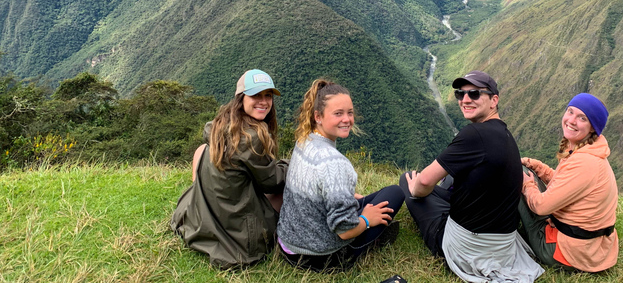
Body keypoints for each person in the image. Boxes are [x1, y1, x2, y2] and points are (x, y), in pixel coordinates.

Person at [400, 70, 544, 282]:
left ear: (494, 100)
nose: (465, 99)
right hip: (503, 246)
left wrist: (415, 190)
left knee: (407, 179)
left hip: (468, 249)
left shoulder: (473, 134)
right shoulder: (505, 133)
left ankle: (437, 228)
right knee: (450, 179)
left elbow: (424, 180)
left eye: (475, 94)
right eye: (461, 94)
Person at [276, 78, 405, 271]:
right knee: (395, 193)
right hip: (319, 258)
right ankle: (375, 238)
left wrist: (349, 196)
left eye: (349, 113)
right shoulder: (334, 163)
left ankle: (375, 226)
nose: (347, 119)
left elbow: (314, 184)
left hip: (289, 246)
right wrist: (367, 219)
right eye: (338, 114)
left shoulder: (304, 140)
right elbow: (345, 231)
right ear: (318, 116)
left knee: (366, 201)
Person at [170, 69, 288, 269]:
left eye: (268, 95)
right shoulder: (252, 138)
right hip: (239, 241)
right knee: (288, 188)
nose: (264, 101)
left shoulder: (218, 126)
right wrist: (289, 165)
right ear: (241, 98)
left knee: (201, 150)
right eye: (256, 95)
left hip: (202, 220)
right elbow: (272, 182)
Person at [518, 93, 619, 273]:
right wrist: (537, 167)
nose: (571, 120)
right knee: (526, 172)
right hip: (592, 247)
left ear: (592, 128)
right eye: (570, 112)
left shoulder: (585, 163)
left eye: (582, 118)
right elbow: (562, 182)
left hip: (570, 252)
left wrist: (527, 186)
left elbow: (541, 207)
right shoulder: (588, 151)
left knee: (517, 176)